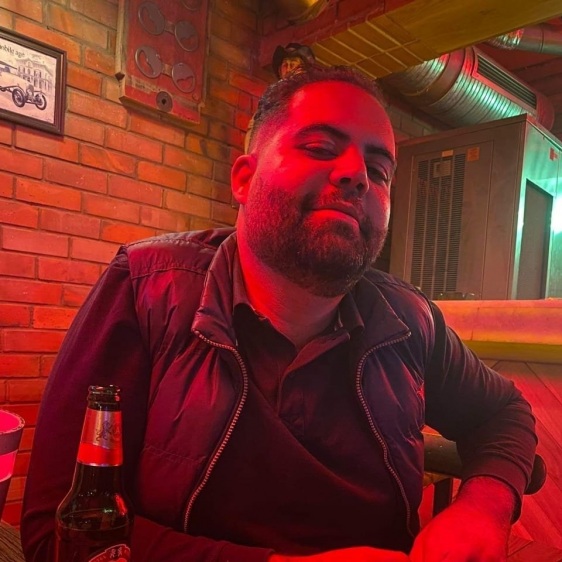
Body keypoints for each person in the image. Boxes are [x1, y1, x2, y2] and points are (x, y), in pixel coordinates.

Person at [21, 65, 537, 562]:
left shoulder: (409, 320)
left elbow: (504, 414)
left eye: (379, 171)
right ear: (245, 179)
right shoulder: (147, 289)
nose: (357, 175)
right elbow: (56, 534)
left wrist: (484, 506)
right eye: (320, 148)